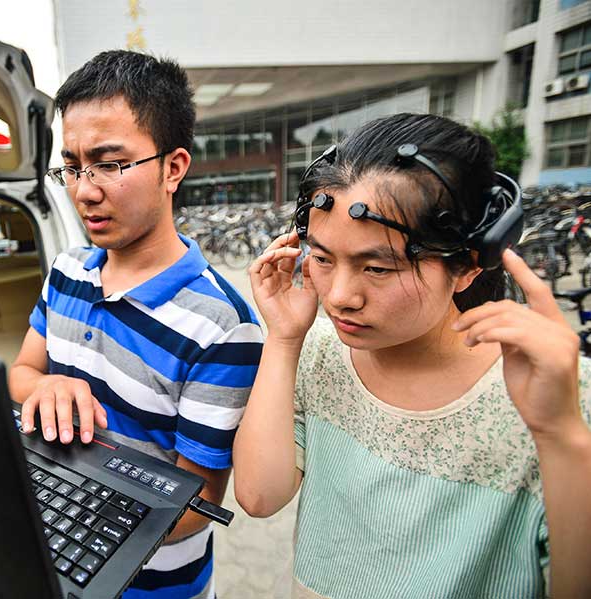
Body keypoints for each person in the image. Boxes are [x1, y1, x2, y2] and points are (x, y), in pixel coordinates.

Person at [0, 49, 264, 599]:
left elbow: (199, 504)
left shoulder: (222, 326)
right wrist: (45, 387)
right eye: (71, 166)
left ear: (173, 168)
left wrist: (60, 530)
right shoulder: (67, 270)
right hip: (51, 544)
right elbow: (22, 372)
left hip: (155, 587)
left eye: (110, 164)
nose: (84, 190)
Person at [233, 113, 591, 598]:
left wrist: (561, 435)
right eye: (321, 258)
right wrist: (282, 340)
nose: (339, 296)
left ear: (468, 265)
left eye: (377, 268)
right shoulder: (319, 351)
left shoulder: (559, 393)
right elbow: (258, 496)